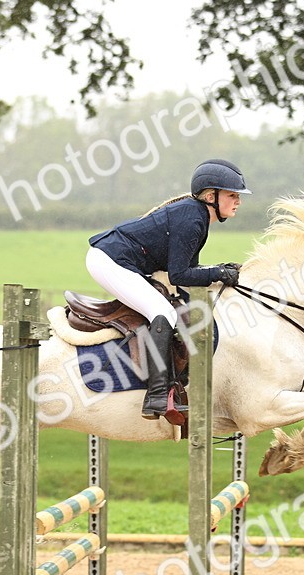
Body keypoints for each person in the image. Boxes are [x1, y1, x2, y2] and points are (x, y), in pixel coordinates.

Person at [85, 158, 250, 420]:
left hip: (119, 260)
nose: (238, 201)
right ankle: (157, 394)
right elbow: (179, 274)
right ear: (211, 196)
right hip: (110, 260)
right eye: (232, 195)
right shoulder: (192, 219)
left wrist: (217, 271)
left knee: (170, 307)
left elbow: (187, 274)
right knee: (162, 312)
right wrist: (219, 273)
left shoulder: (196, 216)